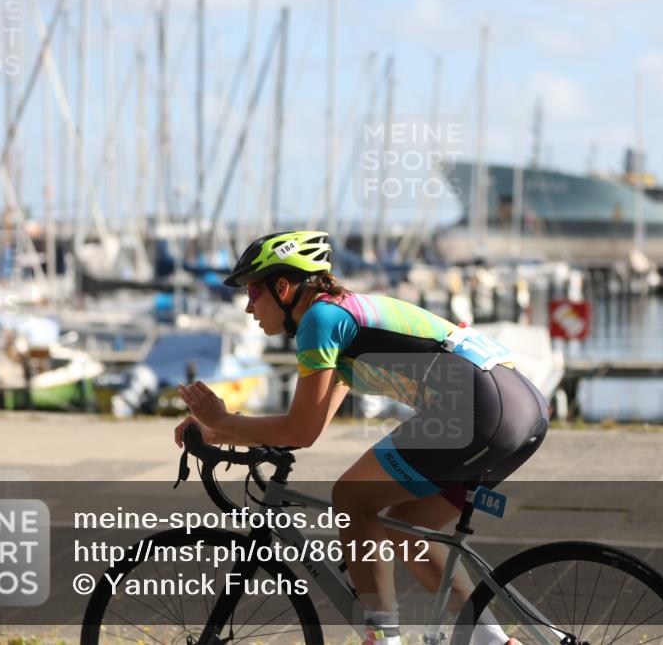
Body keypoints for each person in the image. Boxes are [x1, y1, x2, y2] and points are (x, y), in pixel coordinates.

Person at [175, 230, 548, 645]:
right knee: (408, 529)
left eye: (252, 292)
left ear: (282, 287)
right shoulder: (343, 316)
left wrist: (224, 421)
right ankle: (492, 641)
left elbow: (301, 430)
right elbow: (308, 425)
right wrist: (215, 428)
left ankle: (381, 638)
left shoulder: (320, 319)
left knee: (352, 496)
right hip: (521, 407)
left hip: (479, 409)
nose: (248, 307)